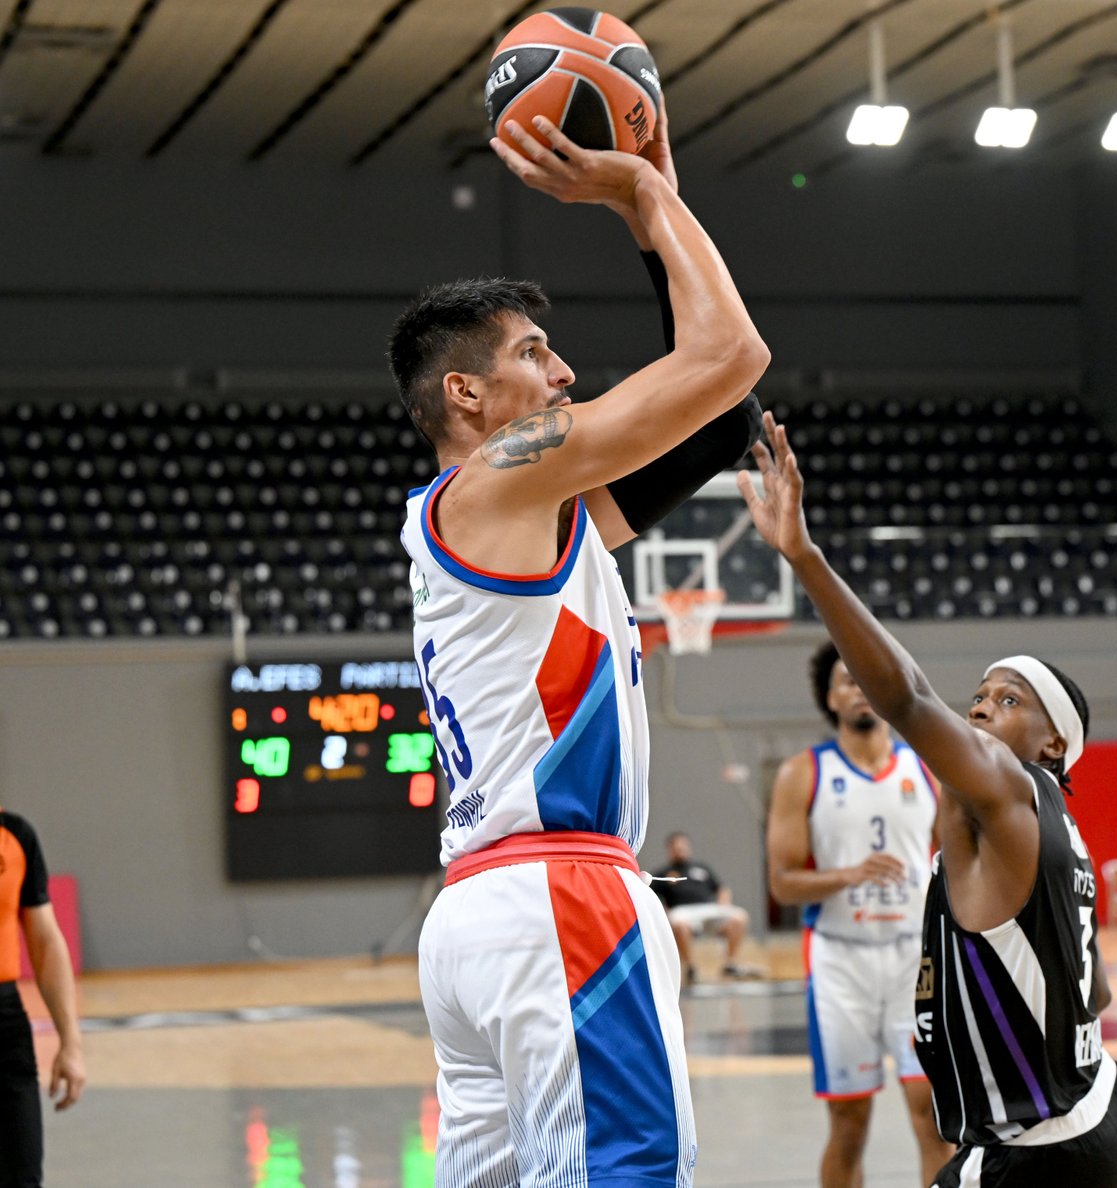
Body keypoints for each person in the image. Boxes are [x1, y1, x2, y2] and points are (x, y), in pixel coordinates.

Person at [389, 105, 768, 1188]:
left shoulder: (531, 514)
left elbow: (725, 417)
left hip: (474, 915)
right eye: (531, 352)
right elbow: (732, 353)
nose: (562, 373)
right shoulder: (505, 477)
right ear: (464, 391)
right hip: (558, 898)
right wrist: (642, 193)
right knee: (629, 1173)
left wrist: (659, 208)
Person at [739, 415, 1117, 1188]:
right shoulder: (1056, 822)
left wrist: (805, 556)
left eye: (1010, 699)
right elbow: (1095, 987)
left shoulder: (1007, 787)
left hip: (1042, 1151)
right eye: (981, 694)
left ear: (1054, 744)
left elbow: (906, 695)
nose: (983, 708)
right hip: (1103, 1106)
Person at [767, 641, 952, 1187]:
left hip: (914, 962)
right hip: (839, 962)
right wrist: (847, 875)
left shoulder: (928, 768)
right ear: (830, 696)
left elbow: (960, 865)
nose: (859, 689)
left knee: (934, 1120)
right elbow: (782, 883)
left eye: (867, 679)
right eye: (847, 680)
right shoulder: (803, 772)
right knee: (850, 1122)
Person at [1, 807, 86, 1188]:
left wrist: (71, 1042)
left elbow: (46, 942)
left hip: (5, 1024)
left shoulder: (15, 835)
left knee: (22, 1176)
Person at [651, 831, 757, 983]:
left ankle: (730, 963)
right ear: (670, 850)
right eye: (676, 847)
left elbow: (721, 888)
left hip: (709, 909)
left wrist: (723, 903)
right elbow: (652, 895)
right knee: (678, 923)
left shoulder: (702, 868)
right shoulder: (663, 874)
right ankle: (690, 967)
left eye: (683, 846)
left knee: (740, 917)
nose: (680, 850)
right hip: (682, 912)